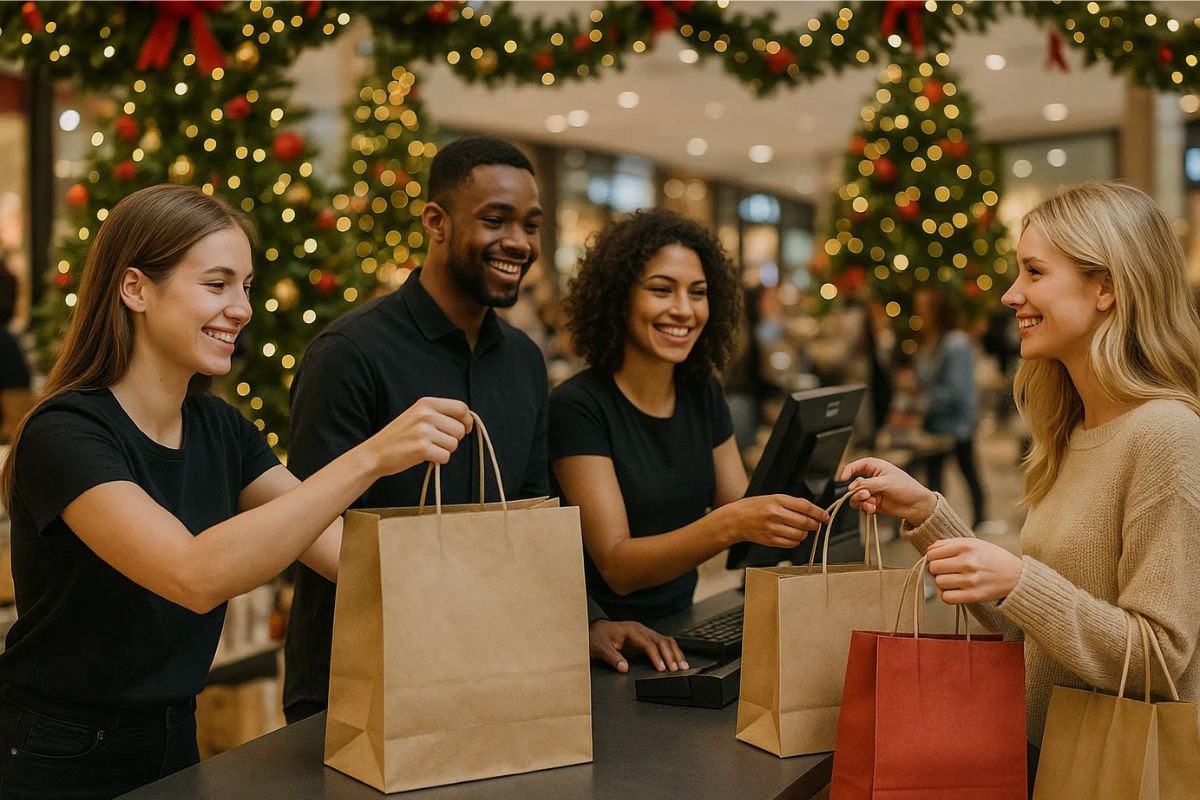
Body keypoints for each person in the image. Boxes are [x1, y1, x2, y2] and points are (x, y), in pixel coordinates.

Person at [0, 185, 475, 799]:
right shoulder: (65, 432)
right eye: (218, 284)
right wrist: (371, 456)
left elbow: (341, 556)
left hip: (175, 736)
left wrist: (486, 569)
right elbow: (192, 575)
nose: (242, 309)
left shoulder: (220, 428)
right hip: (55, 751)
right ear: (135, 288)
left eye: (246, 287)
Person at [282, 137, 683, 725]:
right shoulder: (349, 355)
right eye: (495, 220)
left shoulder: (523, 361)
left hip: (487, 675)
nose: (518, 242)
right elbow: (310, 533)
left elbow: (528, 512)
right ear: (436, 222)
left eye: (530, 225)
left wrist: (588, 617)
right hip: (359, 689)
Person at [841, 181, 1200, 793]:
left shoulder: (1166, 434)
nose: (1011, 296)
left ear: (1107, 287)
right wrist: (929, 514)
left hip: (1110, 770)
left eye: (1034, 272)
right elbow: (1032, 630)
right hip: (1040, 754)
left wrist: (1020, 580)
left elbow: (1161, 661)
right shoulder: (1070, 426)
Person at [549, 209, 829, 625]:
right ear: (617, 297)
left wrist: (822, 486)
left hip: (684, 622)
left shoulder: (702, 391)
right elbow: (618, 566)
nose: (684, 310)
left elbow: (740, 508)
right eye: (662, 290)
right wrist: (731, 523)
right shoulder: (577, 406)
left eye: (697, 293)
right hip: (603, 640)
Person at [912, 285, 987, 527]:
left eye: (924, 307)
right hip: (939, 422)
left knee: (965, 471)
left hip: (954, 424)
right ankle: (936, 523)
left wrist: (921, 403)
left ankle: (978, 520)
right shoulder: (934, 341)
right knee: (937, 475)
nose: (920, 312)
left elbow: (955, 390)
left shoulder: (955, 343)